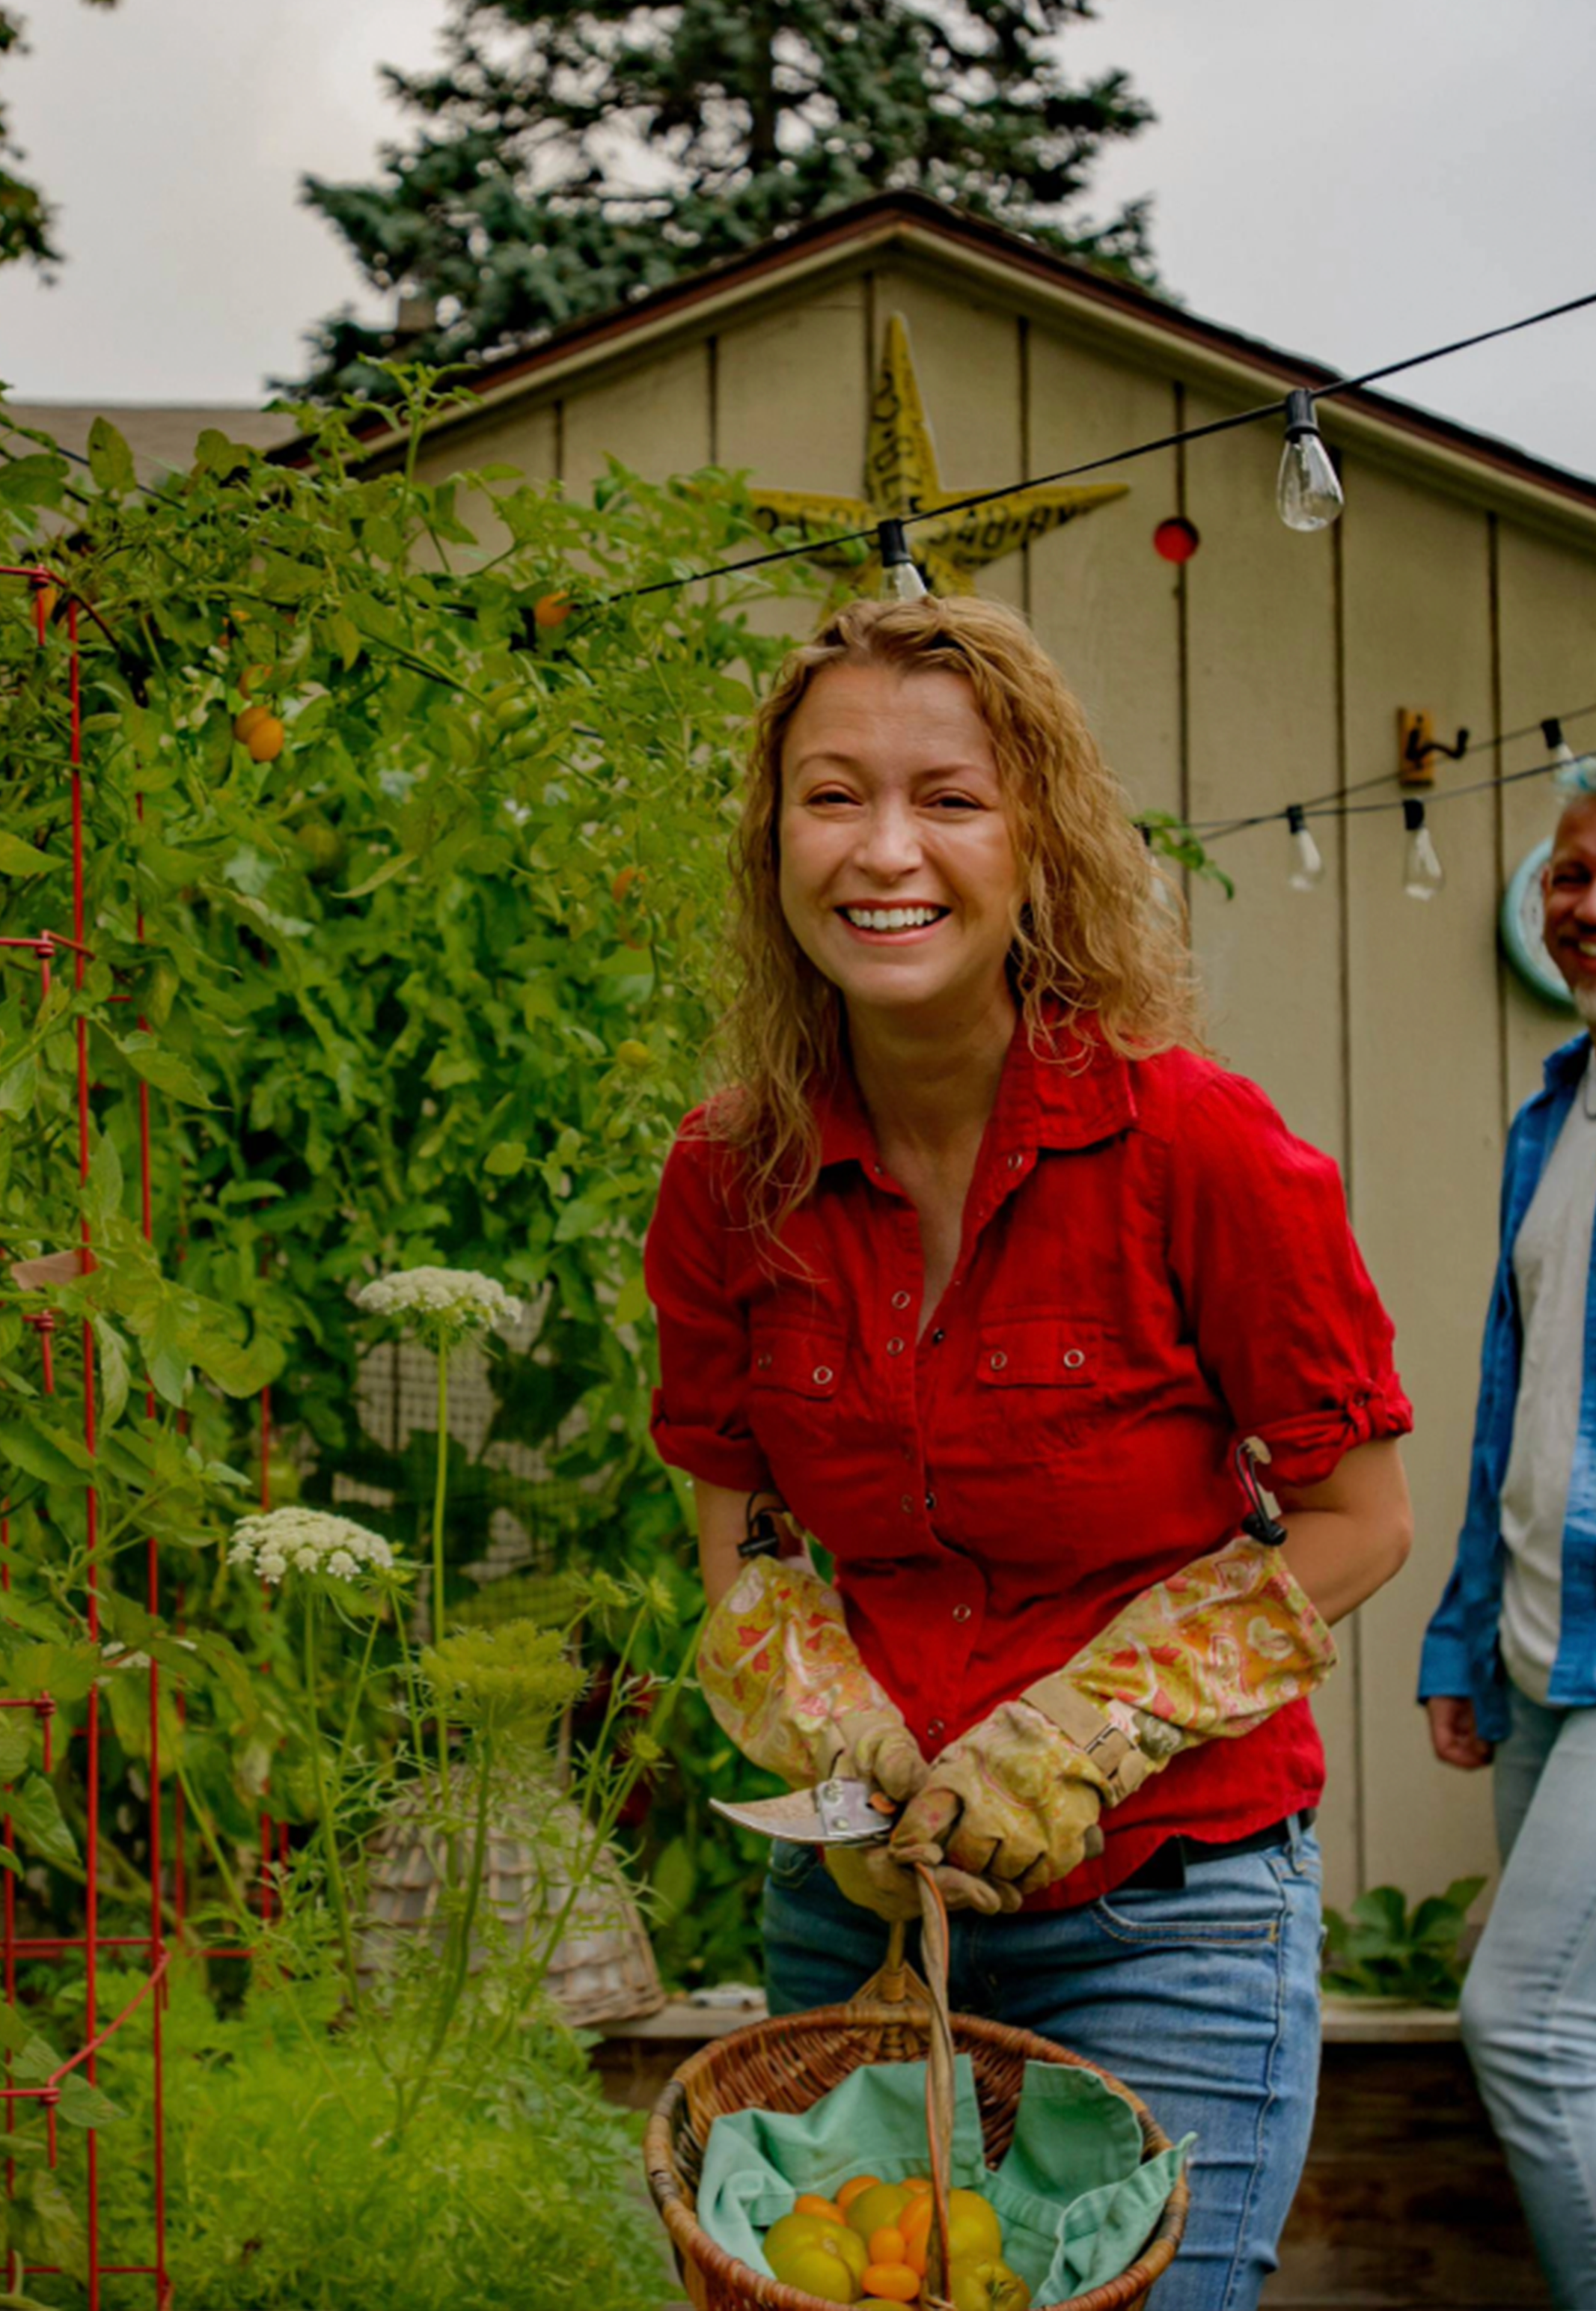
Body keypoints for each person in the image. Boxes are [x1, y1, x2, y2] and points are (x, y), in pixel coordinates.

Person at [644, 594, 1415, 2311]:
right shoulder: (728, 1178)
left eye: (950, 799)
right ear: (773, 840)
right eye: (832, 795)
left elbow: (1362, 1517)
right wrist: (823, 1725)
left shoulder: (1197, 1149)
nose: (884, 850)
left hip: (1168, 1911)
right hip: (855, 1902)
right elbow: (742, 1524)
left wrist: (1083, 1727)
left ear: (1040, 843)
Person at [1419, 790, 1596, 2310]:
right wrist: (1465, 1633)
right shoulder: (1560, 1107)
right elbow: (1512, 1406)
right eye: (1570, 874)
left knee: (1526, 2020)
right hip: (1546, 1647)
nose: (1579, 903)